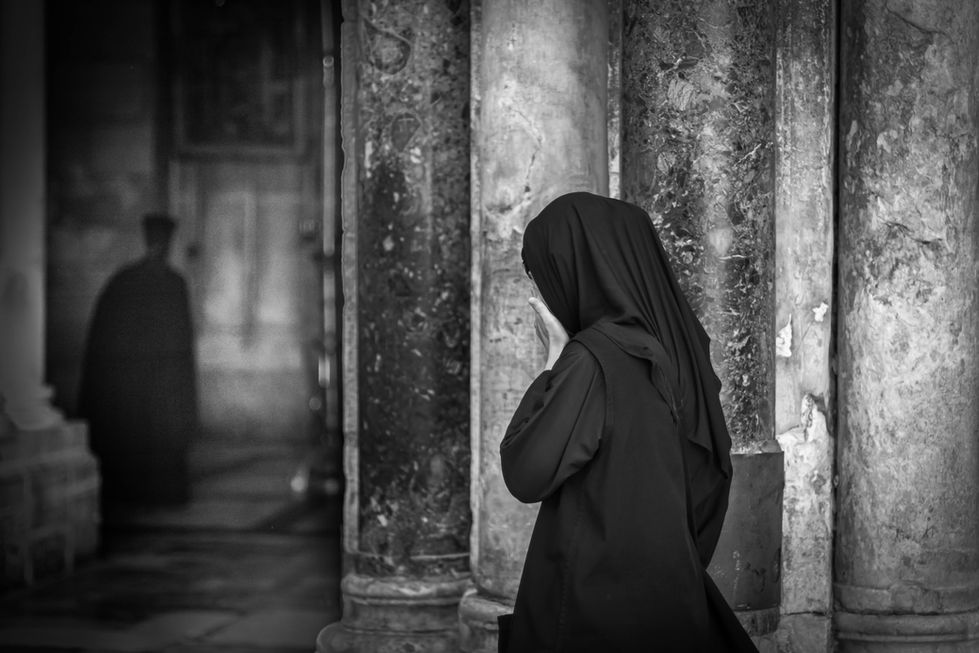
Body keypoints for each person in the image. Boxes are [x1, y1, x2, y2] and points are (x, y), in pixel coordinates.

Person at [498, 192, 757, 652]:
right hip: (666, 601)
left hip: (591, 611)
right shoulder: (676, 351)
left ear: (577, 270)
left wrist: (553, 362)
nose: (540, 297)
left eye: (542, 279)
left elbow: (525, 473)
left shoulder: (593, 359)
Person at [78, 213, 198, 508]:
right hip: (135, 383)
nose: (159, 247)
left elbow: (182, 344)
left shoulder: (169, 284)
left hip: (156, 382)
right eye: (157, 241)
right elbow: (104, 340)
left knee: (154, 439)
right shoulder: (129, 283)